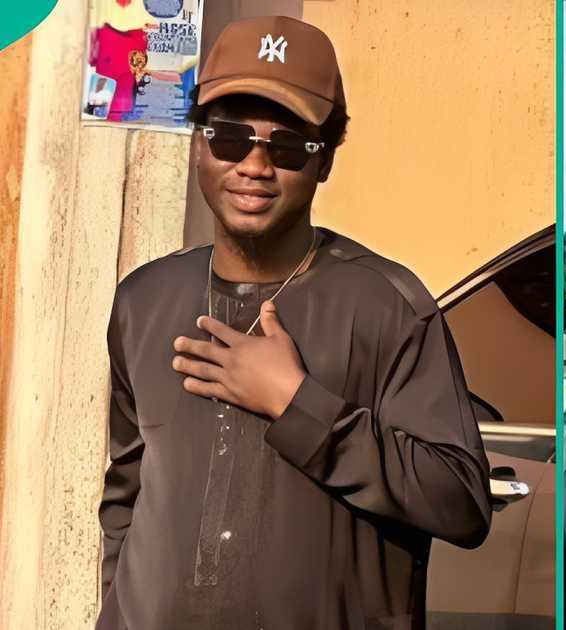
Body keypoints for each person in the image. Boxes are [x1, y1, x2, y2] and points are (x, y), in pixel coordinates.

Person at [95, 15, 492, 630]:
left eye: (287, 146)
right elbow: (127, 492)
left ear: (325, 160)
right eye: (229, 136)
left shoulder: (390, 305)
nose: (254, 165)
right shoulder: (143, 301)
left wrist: (297, 403)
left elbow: (462, 503)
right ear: (199, 142)